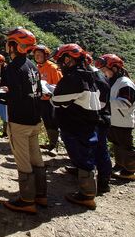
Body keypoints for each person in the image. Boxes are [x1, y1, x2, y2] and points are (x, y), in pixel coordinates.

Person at [0, 27, 45, 214]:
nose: (6, 45)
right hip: (34, 119)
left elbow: (16, 96)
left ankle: (27, 199)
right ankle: (41, 195)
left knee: (23, 160)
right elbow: (34, 92)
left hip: (20, 121)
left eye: (9, 42)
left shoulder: (13, 67)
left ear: (16, 46)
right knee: (36, 157)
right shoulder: (32, 67)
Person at [51, 44, 101, 210]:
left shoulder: (74, 78)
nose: (60, 64)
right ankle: (88, 190)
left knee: (83, 158)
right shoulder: (89, 75)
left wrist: (53, 96)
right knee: (85, 156)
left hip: (76, 125)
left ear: (68, 59)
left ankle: (87, 195)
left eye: (61, 60)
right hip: (87, 124)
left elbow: (57, 100)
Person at [95, 54, 135, 181]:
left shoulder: (125, 82)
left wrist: (106, 100)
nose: (104, 73)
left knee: (126, 146)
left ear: (115, 68)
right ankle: (120, 166)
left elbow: (125, 103)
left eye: (105, 70)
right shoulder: (113, 81)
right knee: (116, 144)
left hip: (123, 121)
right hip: (114, 120)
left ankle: (130, 170)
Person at [86, 53, 112, 193]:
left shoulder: (97, 78)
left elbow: (100, 103)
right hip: (100, 117)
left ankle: (104, 180)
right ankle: (102, 178)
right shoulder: (97, 76)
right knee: (98, 148)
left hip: (100, 119)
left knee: (101, 148)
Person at [32, 44, 63, 155]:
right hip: (40, 99)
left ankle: (55, 146)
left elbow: (59, 86)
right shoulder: (36, 67)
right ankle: (51, 143)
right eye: (36, 55)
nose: (37, 56)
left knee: (54, 122)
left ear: (46, 55)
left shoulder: (53, 68)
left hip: (51, 100)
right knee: (47, 121)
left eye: (40, 54)